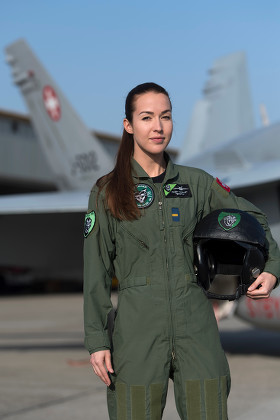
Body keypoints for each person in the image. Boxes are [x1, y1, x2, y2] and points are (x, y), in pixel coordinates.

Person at [83, 82, 280, 420]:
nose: (157, 127)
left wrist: (272, 266)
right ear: (129, 126)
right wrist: (97, 339)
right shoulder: (107, 191)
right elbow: (96, 270)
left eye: (166, 116)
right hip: (137, 329)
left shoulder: (198, 184)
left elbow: (252, 218)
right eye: (146, 117)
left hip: (196, 325)